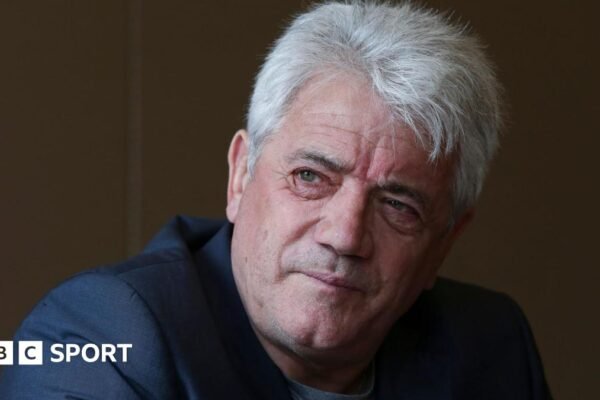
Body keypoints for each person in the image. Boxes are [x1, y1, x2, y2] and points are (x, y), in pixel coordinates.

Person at [0, 1, 552, 399]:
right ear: (240, 176)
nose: (344, 236)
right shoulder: (102, 333)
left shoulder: (490, 346)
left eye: (397, 206)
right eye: (311, 177)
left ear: (444, 243)